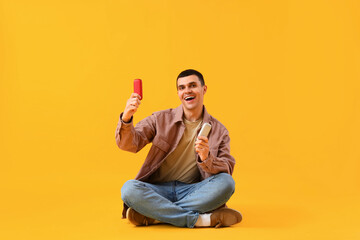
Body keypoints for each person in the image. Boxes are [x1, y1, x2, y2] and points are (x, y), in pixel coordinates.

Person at [115, 69, 242, 228]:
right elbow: (129, 144)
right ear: (178, 93)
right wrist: (126, 118)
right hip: (157, 190)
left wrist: (207, 158)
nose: (187, 90)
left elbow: (227, 169)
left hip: (193, 191)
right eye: (182, 88)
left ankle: (156, 215)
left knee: (227, 183)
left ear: (204, 89)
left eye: (192, 85)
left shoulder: (220, 131)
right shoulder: (160, 119)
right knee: (128, 189)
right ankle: (200, 220)